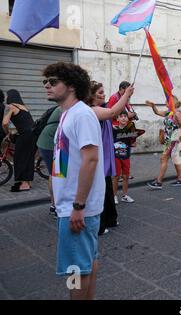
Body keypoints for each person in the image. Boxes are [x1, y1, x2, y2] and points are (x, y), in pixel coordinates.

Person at [43, 62, 105, 300]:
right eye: (45, 82)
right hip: (71, 205)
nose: (47, 85)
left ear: (70, 85)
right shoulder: (68, 114)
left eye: (53, 81)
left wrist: (78, 206)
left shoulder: (81, 114)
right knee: (87, 261)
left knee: (75, 269)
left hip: (76, 207)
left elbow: (91, 159)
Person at [88, 81, 134, 235]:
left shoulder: (101, 108)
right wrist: (126, 95)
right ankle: (100, 225)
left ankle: (110, 219)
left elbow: (114, 112)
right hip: (98, 157)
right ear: (91, 95)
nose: (104, 95)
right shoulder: (92, 110)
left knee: (106, 188)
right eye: (100, 93)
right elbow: (113, 112)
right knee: (99, 191)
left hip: (105, 156)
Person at [146, 96, 181, 189]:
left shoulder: (177, 113)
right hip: (168, 140)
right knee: (175, 159)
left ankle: (159, 182)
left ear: (172, 102)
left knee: (163, 158)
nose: (165, 102)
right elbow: (157, 112)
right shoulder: (168, 113)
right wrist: (153, 106)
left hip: (173, 140)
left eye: (167, 101)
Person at [2, 89, 35, 192]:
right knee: (28, 158)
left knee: (20, 158)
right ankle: (28, 182)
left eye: (7, 96)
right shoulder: (24, 107)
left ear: (10, 96)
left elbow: (5, 123)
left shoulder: (10, 106)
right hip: (33, 134)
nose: (6, 98)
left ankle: (24, 184)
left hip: (25, 135)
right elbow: (24, 123)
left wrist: (8, 133)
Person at [36, 105, 62, 217]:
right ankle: (58, 207)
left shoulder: (63, 105)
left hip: (46, 141)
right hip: (51, 142)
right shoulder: (69, 106)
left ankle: (54, 205)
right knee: (59, 174)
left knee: (54, 174)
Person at [112, 111, 136, 203]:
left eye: (125, 116)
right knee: (116, 176)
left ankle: (125, 195)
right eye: (121, 116)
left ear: (128, 118)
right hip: (116, 156)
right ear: (117, 119)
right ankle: (114, 196)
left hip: (126, 156)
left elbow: (134, 143)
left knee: (126, 176)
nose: (123, 118)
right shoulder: (113, 129)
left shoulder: (131, 131)